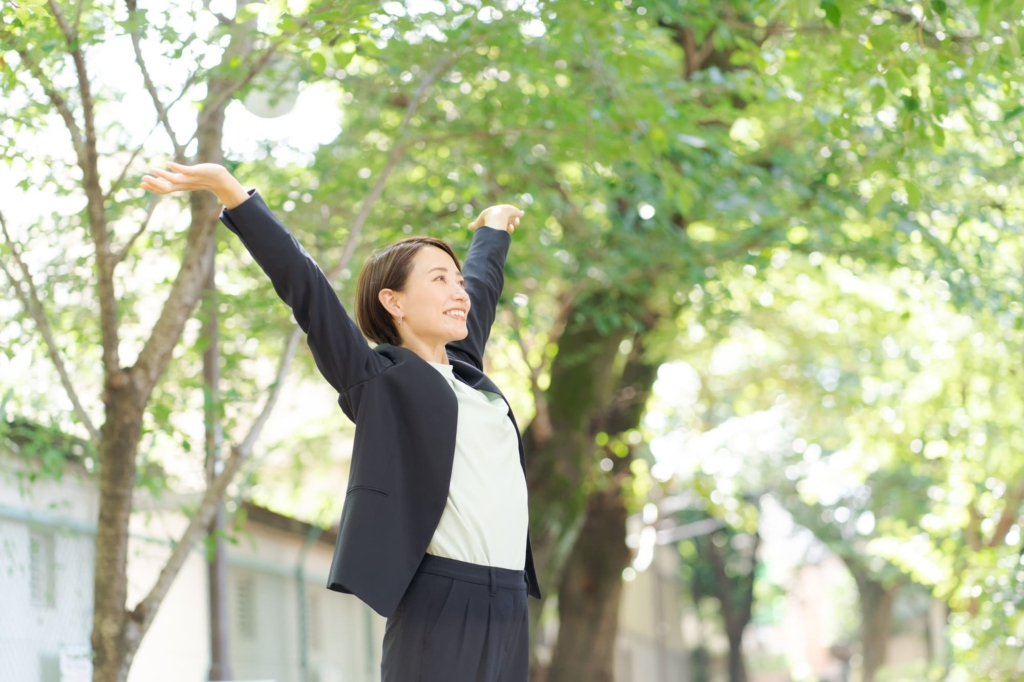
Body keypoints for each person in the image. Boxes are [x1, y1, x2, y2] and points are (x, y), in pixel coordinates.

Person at [141, 161, 541, 681]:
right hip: (443, 603)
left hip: (510, 603)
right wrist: (229, 189)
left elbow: (482, 288)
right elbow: (304, 288)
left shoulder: (466, 371)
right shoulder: (379, 382)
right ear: (392, 301)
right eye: (439, 279)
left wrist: (493, 228)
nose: (458, 292)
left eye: (457, 280)